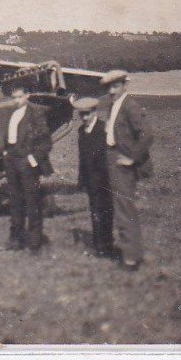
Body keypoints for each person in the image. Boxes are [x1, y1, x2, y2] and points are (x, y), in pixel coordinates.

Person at [98, 70, 154, 270]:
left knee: (124, 209)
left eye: (115, 86)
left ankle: (131, 259)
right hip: (112, 158)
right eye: (109, 87)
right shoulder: (115, 104)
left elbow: (146, 134)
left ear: (124, 86)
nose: (111, 91)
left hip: (122, 162)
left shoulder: (130, 106)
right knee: (121, 206)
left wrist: (131, 158)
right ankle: (132, 253)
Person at [2, 85, 53, 255]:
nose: (16, 100)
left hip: (26, 162)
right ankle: (15, 239)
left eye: (19, 96)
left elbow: (46, 142)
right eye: (14, 97)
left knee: (32, 202)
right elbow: (8, 137)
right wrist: (6, 153)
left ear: (27, 95)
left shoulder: (35, 112)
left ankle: (34, 243)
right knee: (15, 201)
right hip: (11, 160)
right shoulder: (12, 113)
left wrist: (32, 160)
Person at [75, 97, 114, 257]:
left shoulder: (103, 129)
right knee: (95, 211)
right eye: (81, 115)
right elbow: (82, 158)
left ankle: (106, 244)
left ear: (94, 112)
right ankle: (100, 245)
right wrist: (81, 180)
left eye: (87, 114)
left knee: (105, 211)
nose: (84, 118)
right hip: (91, 180)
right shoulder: (81, 131)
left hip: (105, 180)